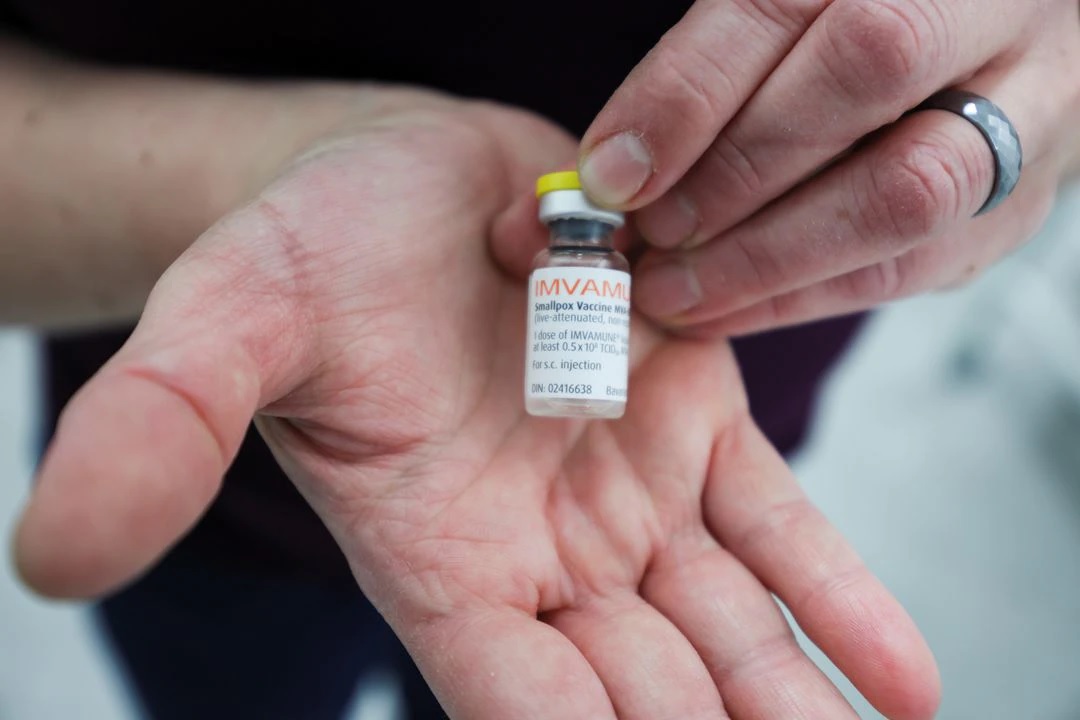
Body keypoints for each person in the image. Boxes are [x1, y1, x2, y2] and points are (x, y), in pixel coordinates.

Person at [3, 1, 1077, 718]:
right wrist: (266, 173)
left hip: (680, 478)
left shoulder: (595, 283)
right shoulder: (580, 272)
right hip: (225, 515)